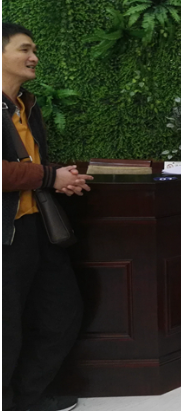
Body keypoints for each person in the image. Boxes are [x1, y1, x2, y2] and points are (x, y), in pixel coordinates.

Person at [3, 22, 93, 411]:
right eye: (25, 49)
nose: (34, 57)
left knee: (62, 313)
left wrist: (60, 177)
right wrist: (48, 176)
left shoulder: (27, 105)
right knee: (6, 330)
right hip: (6, 237)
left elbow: (29, 164)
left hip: (37, 228)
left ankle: (26, 398)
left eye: (34, 50)